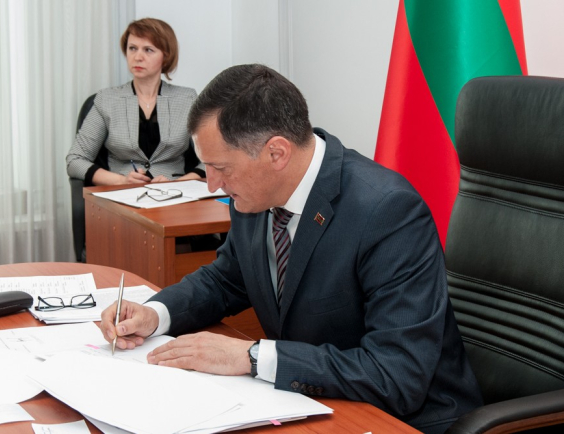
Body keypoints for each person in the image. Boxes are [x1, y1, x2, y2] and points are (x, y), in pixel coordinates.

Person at [100, 64, 483, 434]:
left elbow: (396, 374)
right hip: (308, 402)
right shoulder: (254, 196)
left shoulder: (387, 212)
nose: (212, 184)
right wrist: (155, 313)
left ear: (277, 153)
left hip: (403, 420)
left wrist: (252, 356)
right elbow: (225, 280)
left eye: (221, 168)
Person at [66, 18, 204, 186]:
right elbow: (75, 160)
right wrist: (121, 180)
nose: (138, 57)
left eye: (148, 50)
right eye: (132, 48)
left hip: (175, 194)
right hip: (122, 194)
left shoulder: (187, 99)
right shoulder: (106, 100)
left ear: (166, 56)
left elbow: (214, 159)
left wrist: (179, 183)